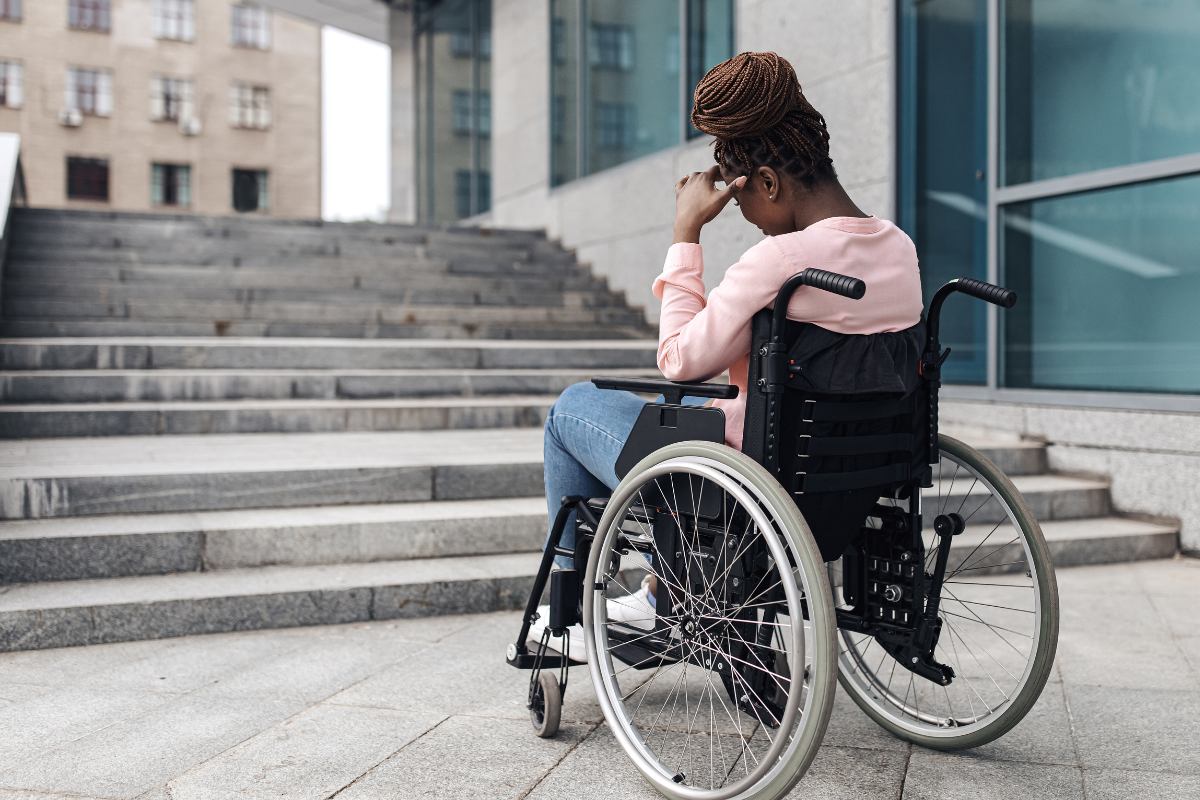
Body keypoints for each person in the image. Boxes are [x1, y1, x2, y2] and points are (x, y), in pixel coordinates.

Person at [530, 51, 924, 658]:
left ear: (768, 182)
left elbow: (678, 357)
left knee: (573, 408)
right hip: (842, 480)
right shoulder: (899, 248)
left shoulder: (782, 261)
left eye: (743, 201)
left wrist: (685, 235)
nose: (745, 216)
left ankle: (574, 616)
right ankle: (662, 592)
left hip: (742, 481)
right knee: (687, 399)